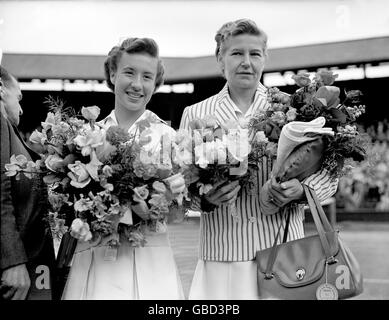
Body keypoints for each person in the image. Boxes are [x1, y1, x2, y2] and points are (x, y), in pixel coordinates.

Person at [179, 19, 339, 299]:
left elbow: (329, 175)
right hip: (223, 256)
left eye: (254, 54)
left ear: (265, 58)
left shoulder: (295, 107)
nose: (246, 62)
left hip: (285, 255)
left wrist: (302, 190)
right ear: (220, 58)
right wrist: (206, 198)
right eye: (236, 53)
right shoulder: (195, 114)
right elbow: (180, 188)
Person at [61, 37, 185, 300]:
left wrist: (165, 201)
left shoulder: (169, 137)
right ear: (113, 73)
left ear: (155, 83)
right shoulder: (86, 135)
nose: (137, 84)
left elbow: (179, 211)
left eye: (147, 77)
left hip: (151, 264)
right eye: (129, 72)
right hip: (96, 263)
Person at [0, 66, 56, 300]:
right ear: (1, 89)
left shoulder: (8, 128)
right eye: (18, 98)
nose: (21, 109)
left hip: (31, 262)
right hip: (18, 265)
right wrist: (12, 261)